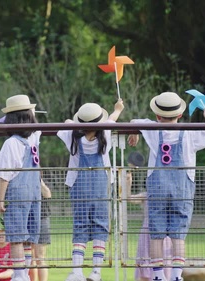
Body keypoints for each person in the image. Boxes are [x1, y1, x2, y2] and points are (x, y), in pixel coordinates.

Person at [128, 92, 205, 281]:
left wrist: (133, 132)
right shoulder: (190, 133)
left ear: (157, 115)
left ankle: (158, 276)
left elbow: (134, 120)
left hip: (157, 188)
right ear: (179, 115)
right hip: (182, 189)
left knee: (156, 233)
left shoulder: (151, 129)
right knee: (178, 234)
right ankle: (177, 276)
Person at [57, 99, 124, 281]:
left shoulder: (72, 136)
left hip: (79, 186)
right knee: (100, 225)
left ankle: (77, 271)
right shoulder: (106, 135)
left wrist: (74, 122)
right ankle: (96, 272)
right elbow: (113, 117)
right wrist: (117, 108)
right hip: (100, 186)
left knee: (80, 225)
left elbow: (66, 123)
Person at [0, 94, 42, 281]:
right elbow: (36, 126)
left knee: (16, 237)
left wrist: (0, 200)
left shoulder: (11, 143)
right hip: (34, 192)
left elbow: (4, 175)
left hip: (18, 192)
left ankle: (20, 276)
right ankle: (25, 274)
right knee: (28, 237)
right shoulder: (35, 137)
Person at [126, 151, 173, 281]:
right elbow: (128, 198)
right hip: (147, 232)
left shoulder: (168, 196)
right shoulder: (146, 195)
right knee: (145, 262)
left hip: (164, 233)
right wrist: (128, 183)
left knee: (164, 262)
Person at [29, 181, 52, 281]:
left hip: (42, 218)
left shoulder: (44, 178)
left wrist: (40, 180)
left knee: (40, 257)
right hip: (27, 219)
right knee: (29, 257)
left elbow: (48, 194)